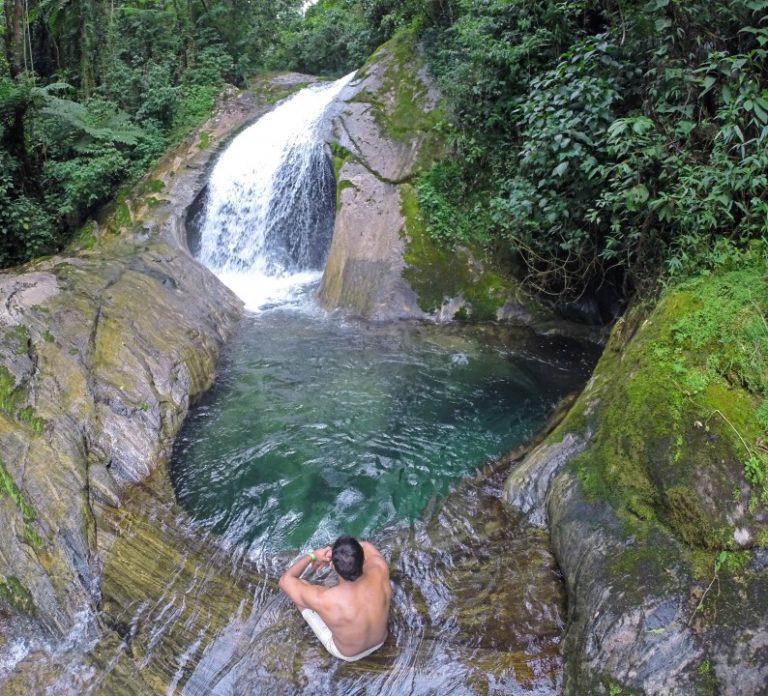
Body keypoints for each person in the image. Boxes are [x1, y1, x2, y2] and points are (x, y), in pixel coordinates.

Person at [279, 535, 391, 662]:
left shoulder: (324, 599)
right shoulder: (380, 569)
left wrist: (313, 556)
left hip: (348, 654)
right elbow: (365, 545)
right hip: (380, 640)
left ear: (332, 566)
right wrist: (343, 554)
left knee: (301, 587)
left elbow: (285, 581)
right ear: (362, 557)